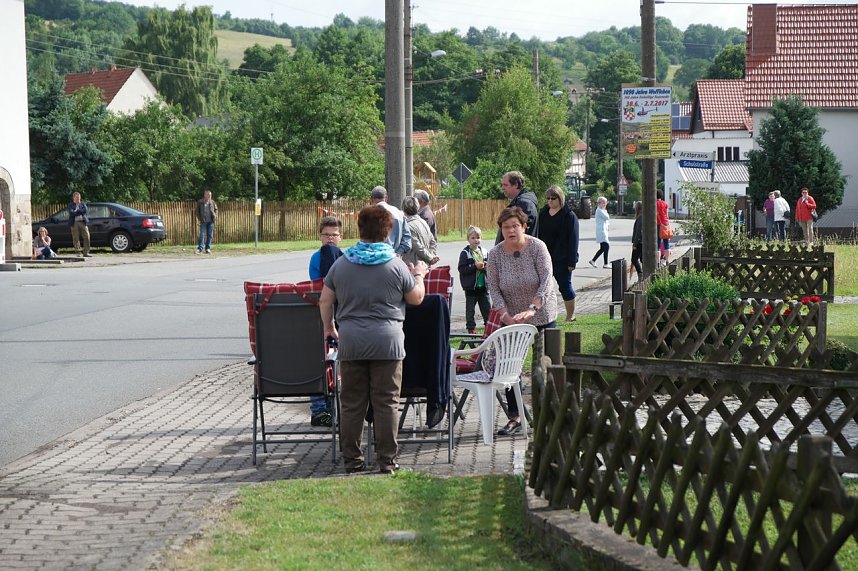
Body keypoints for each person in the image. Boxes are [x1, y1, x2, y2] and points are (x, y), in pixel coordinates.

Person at [319, 206, 428, 474]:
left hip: (352, 341)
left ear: (360, 230)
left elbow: (324, 299)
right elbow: (416, 298)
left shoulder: (342, 264)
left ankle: (352, 461)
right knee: (387, 402)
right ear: (387, 232)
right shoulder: (395, 265)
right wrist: (419, 275)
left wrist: (328, 327)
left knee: (352, 403)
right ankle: (387, 461)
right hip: (387, 342)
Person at [487, 207, 557, 436]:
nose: (510, 230)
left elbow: (547, 280)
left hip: (542, 314)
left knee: (544, 366)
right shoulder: (496, 254)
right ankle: (515, 416)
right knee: (510, 366)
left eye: (515, 226)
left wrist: (533, 308)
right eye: (506, 227)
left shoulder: (538, 247)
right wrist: (505, 315)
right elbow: (494, 289)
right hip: (512, 319)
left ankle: (549, 415)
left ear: (524, 226)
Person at [307, 216, 345, 428]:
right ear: (320, 236)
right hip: (324, 315)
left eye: (334, 235)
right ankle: (321, 408)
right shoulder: (316, 259)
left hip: (340, 314)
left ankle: (331, 407)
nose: (330, 239)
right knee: (321, 359)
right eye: (326, 235)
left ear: (341, 237)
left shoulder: (347, 257)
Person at [537, 185, 579, 322]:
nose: (550, 201)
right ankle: (545, 315)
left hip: (562, 258)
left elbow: (573, 240)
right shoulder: (543, 213)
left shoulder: (569, 216)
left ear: (560, 198)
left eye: (553, 198)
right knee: (542, 288)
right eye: (548, 198)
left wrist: (572, 262)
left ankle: (570, 315)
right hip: (545, 257)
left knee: (565, 287)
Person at [458, 226, 491, 334]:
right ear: (468, 239)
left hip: (483, 286)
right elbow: (462, 269)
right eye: (473, 238)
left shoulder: (484, 251)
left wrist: (486, 266)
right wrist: (474, 266)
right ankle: (471, 329)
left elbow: (490, 267)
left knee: (487, 309)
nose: (476, 240)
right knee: (470, 310)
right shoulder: (465, 253)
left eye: (478, 237)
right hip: (471, 287)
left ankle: (489, 327)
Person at [495, 171, 538, 244]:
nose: (502, 188)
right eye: (502, 185)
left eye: (505, 185)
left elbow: (523, 232)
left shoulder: (524, 203)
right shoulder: (519, 202)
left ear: (515, 185)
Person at [369, 186, 412, 256]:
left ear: (371, 199)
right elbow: (407, 241)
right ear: (386, 198)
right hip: (394, 257)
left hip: (375, 257)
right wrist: (398, 253)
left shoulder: (369, 215)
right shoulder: (399, 213)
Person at [401, 196, 439, 267]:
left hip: (414, 266)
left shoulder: (408, 226)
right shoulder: (423, 222)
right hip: (425, 265)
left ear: (403, 208)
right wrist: (432, 255)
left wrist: (430, 258)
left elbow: (417, 246)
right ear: (417, 207)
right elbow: (432, 241)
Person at [588, 197, 611, 269]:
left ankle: (593, 260)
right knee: (606, 246)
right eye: (603, 203)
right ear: (599, 203)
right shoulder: (599, 210)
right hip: (601, 231)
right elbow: (607, 217)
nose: (604, 204)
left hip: (603, 230)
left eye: (605, 203)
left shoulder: (602, 210)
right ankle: (605, 263)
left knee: (603, 248)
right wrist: (605, 211)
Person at [68, 192, 91, 257]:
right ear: (74, 198)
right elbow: (71, 213)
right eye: (77, 197)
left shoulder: (83, 204)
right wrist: (80, 212)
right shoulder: (70, 205)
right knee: (76, 238)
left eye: (79, 197)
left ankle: (86, 252)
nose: (78, 199)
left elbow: (85, 211)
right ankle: (78, 252)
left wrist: (77, 211)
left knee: (87, 237)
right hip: (74, 223)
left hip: (83, 222)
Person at [195, 190, 218, 254]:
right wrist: (200, 219)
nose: (210, 196)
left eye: (210, 195)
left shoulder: (212, 202)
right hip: (203, 221)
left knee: (210, 235)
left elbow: (216, 209)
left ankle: (208, 248)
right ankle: (200, 249)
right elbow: (197, 211)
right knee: (202, 235)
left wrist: (215, 217)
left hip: (211, 221)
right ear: (205, 195)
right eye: (208, 195)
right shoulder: (200, 202)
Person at [629, 201, 643, 280]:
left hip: (639, 242)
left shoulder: (640, 218)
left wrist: (635, 244)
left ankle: (640, 274)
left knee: (634, 259)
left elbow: (638, 232)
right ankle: (644, 274)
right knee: (642, 259)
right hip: (643, 242)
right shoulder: (643, 217)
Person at [656, 190, 671, 265]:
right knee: (666, 243)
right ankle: (667, 261)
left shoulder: (654, 204)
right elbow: (667, 216)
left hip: (658, 224)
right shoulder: (665, 204)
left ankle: (658, 263)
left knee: (657, 244)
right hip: (666, 224)